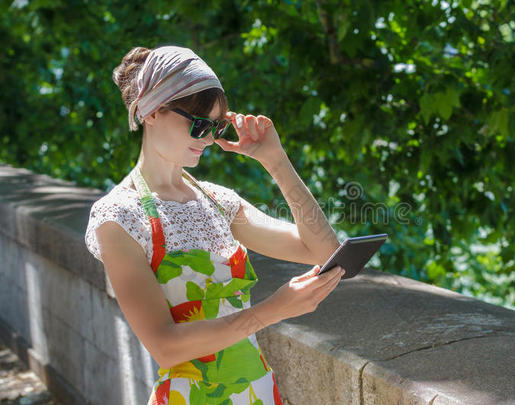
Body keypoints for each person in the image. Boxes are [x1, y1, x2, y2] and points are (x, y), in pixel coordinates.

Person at [84, 44, 344, 405]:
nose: (208, 138)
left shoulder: (216, 202)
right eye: (199, 124)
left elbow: (325, 251)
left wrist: (276, 160)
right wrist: (273, 310)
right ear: (153, 112)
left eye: (216, 126)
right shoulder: (119, 217)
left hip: (257, 393)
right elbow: (165, 346)